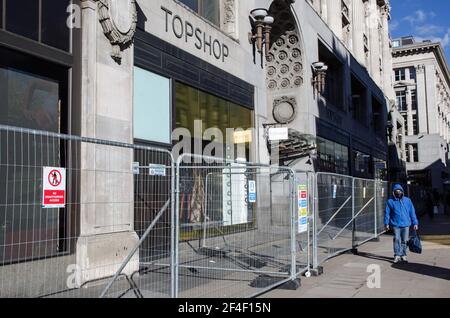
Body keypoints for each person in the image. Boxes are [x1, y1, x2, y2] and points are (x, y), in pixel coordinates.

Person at [384, 184, 419, 264]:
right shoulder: (390, 201)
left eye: (400, 191)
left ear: (402, 191)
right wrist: (386, 223)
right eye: (396, 191)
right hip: (396, 224)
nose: (398, 192)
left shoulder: (407, 200)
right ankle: (397, 255)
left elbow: (412, 212)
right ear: (393, 192)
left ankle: (403, 254)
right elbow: (387, 213)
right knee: (396, 239)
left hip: (406, 224)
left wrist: (415, 223)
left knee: (405, 240)